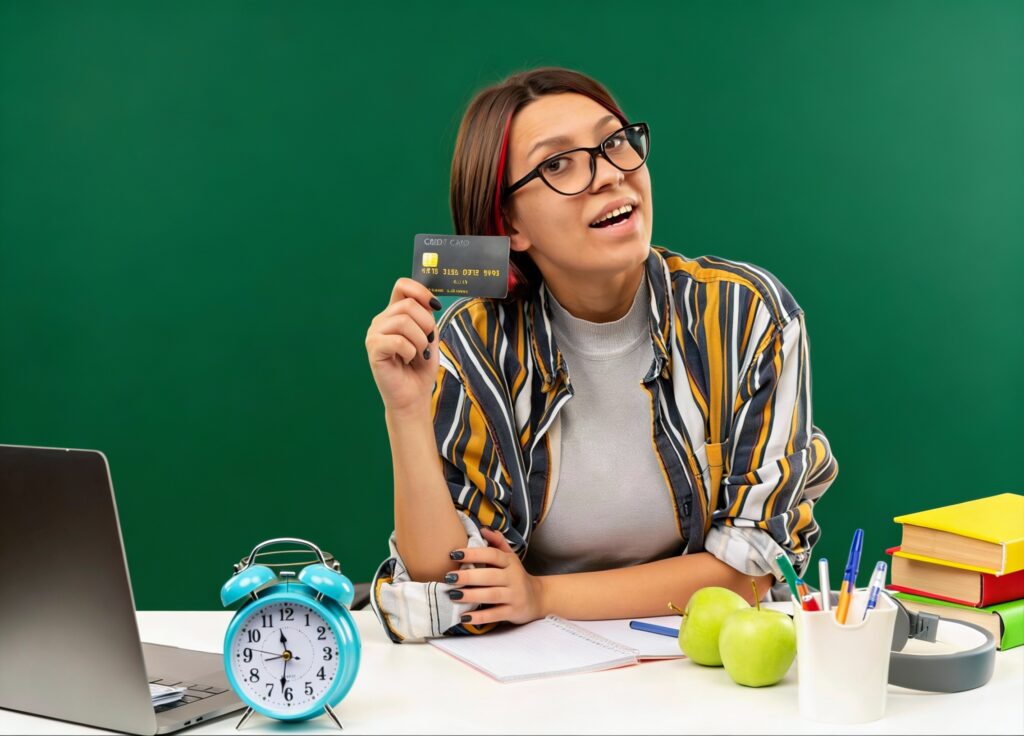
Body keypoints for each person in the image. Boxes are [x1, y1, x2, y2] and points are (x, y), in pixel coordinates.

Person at [364, 67, 838, 643]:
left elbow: (752, 570)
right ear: (510, 224)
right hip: (531, 672)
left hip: (708, 663)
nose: (609, 175)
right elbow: (447, 587)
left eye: (614, 143)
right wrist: (407, 413)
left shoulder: (744, 316)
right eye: (558, 163)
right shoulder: (473, 343)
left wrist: (541, 595)